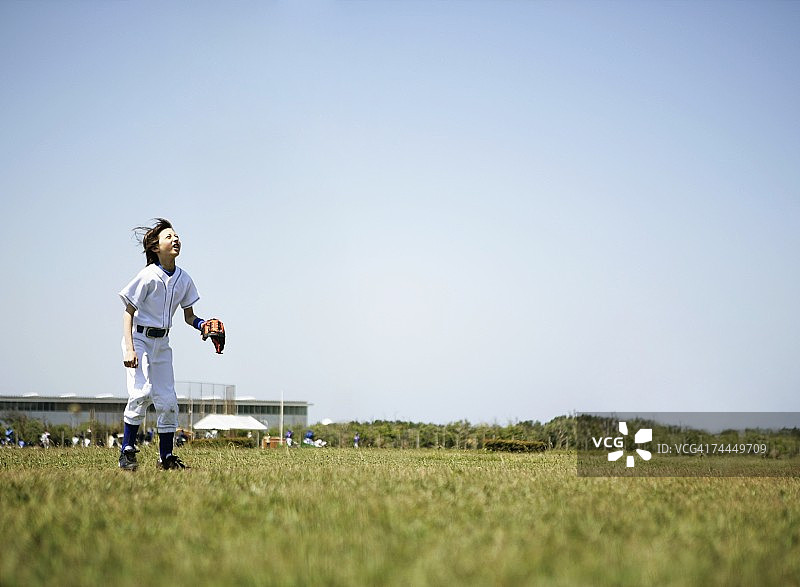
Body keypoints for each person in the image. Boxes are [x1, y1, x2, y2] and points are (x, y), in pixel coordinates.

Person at [118, 218, 224, 470]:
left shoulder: (183, 279)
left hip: (162, 343)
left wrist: (203, 326)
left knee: (167, 400)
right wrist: (131, 348)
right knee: (141, 392)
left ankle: (166, 457)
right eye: (169, 236)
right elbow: (128, 312)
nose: (175, 239)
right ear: (155, 247)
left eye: (177, 236)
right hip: (140, 339)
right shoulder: (147, 276)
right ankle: (128, 450)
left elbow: (189, 316)